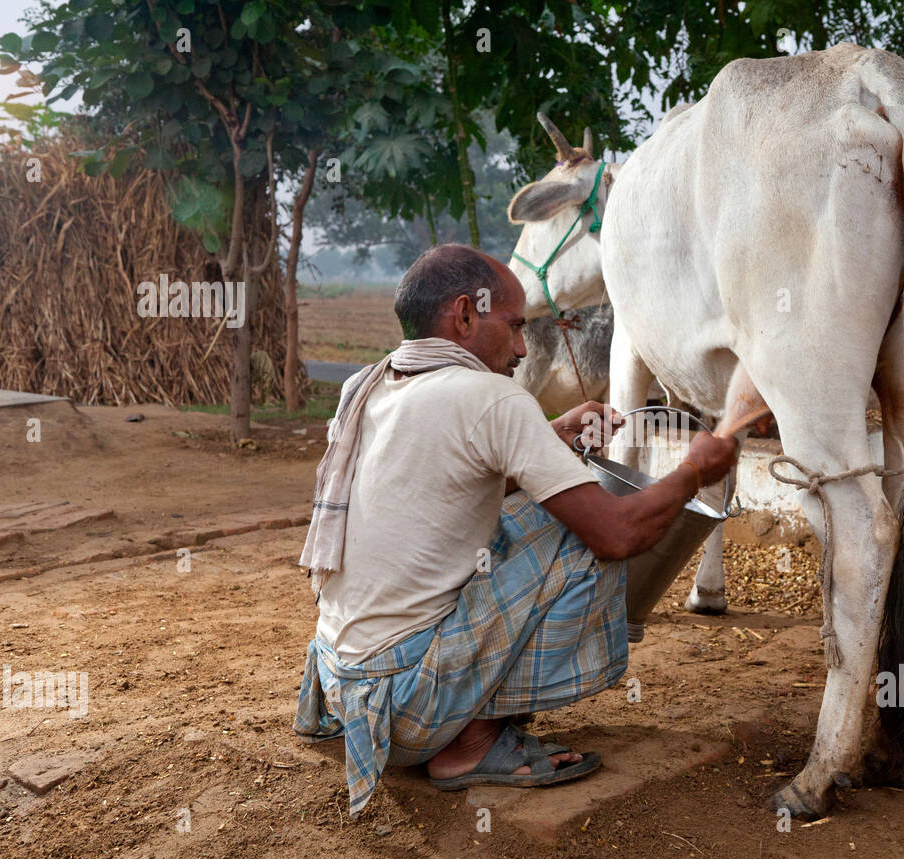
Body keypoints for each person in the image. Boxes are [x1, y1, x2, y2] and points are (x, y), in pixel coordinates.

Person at [294, 243, 738, 816]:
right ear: (464, 315)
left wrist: (550, 433)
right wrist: (696, 469)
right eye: (515, 324)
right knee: (577, 535)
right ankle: (471, 742)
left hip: (344, 692)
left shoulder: (369, 386)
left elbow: (449, 483)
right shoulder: (490, 397)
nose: (524, 347)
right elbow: (618, 535)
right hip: (409, 711)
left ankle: (462, 720)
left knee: (525, 514)